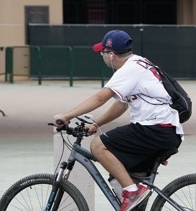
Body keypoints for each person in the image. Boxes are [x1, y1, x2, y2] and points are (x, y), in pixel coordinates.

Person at [53, 30, 184, 211]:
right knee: (121, 177)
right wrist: (97, 123)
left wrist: (66, 116)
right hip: (165, 131)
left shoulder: (129, 70)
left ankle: (132, 192)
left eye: (103, 52)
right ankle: (133, 192)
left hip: (155, 128)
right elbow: (120, 105)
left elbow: (100, 98)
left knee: (98, 146)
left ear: (112, 54)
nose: (102, 55)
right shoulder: (139, 62)